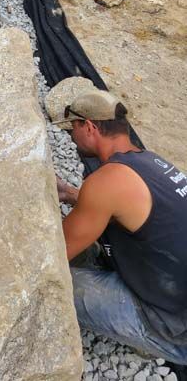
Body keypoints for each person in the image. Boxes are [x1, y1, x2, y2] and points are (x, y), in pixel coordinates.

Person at [55, 89, 187, 374]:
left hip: (172, 328)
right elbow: (126, 208)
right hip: (178, 299)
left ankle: (148, 336)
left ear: (88, 127)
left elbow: (53, 255)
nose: (69, 137)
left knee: (57, 287)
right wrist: (70, 193)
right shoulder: (150, 162)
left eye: (72, 128)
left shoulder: (105, 181)